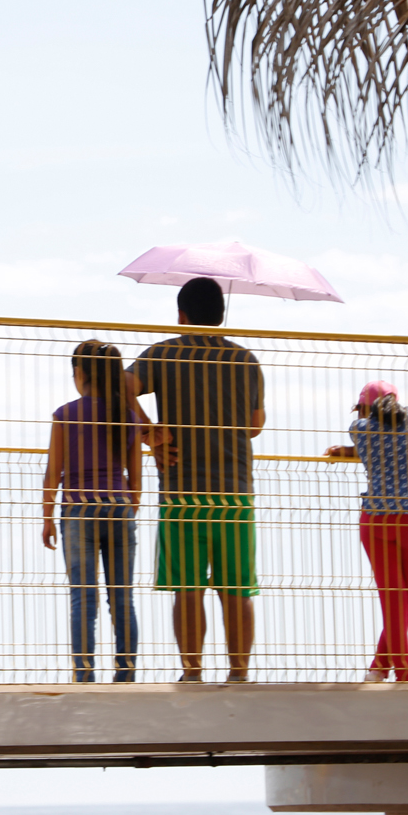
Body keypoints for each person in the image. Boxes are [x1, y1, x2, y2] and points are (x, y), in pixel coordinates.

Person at [125, 278, 265, 683]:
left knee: (187, 587)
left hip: (181, 490)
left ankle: (193, 672)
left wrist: (150, 433)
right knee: (237, 588)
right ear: (221, 316)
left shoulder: (164, 353)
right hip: (235, 493)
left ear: (181, 314)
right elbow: (254, 426)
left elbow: (119, 386)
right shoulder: (246, 360)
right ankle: (238, 673)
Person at [325, 381, 408, 682]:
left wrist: (344, 452)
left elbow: (374, 447)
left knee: (392, 597)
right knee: (406, 600)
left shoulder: (359, 429)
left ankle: (384, 667)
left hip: (377, 519)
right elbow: (400, 437)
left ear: (364, 407)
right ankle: (398, 670)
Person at [41, 340, 142, 683]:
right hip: (119, 507)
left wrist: (47, 519)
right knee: (122, 598)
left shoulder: (65, 415)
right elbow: (136, 480)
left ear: (79, 373)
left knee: (83, 598)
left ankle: (84, 676)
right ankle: (126, 675)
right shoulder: (126, 418)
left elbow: (53, 474)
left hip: (78, 511)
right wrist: (128, 510)